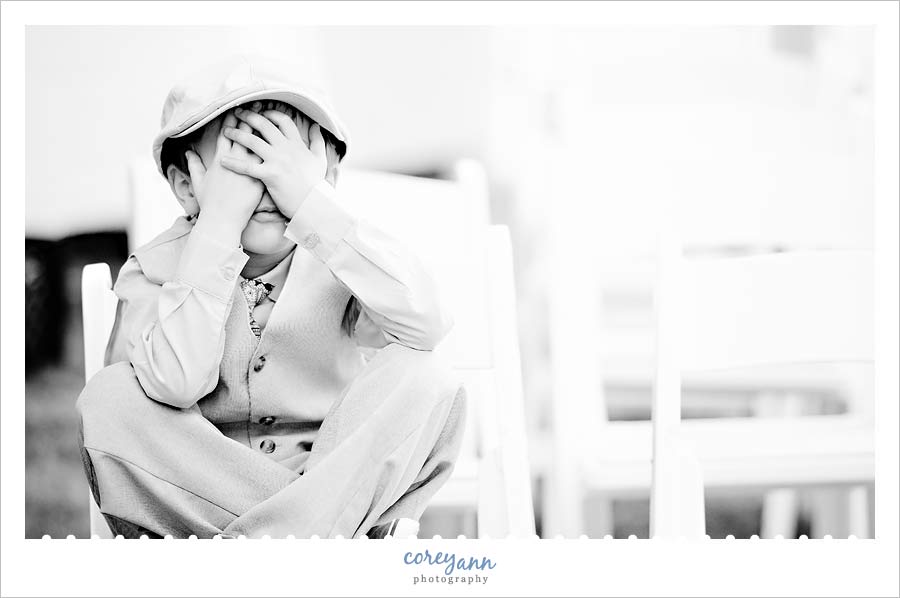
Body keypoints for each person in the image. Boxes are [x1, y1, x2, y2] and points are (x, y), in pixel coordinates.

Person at [75, 55, 467, 539]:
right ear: (186, 185)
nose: (269, 185)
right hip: (216, 506)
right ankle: (304, 542)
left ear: (327, 179)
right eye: (243, 162)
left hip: (330, 484)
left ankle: (276, 546)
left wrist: (313, 207)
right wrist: (217, 227)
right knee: (109, 400)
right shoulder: (153, 272)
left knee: (425, 376)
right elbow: (176, 384)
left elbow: (425, 324)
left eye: (287, 166)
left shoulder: (343, 264)